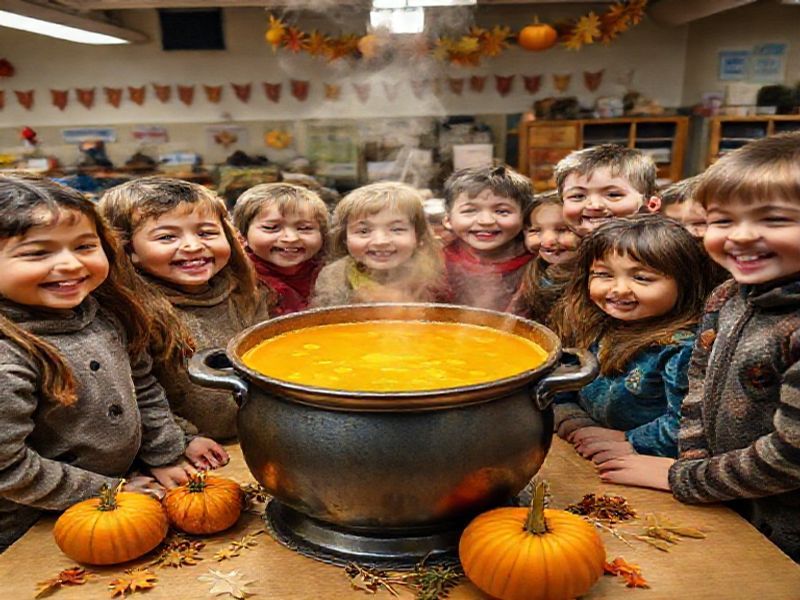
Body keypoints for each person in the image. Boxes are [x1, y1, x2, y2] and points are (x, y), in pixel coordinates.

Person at [598, 133, 800, 562]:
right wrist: (691, 463)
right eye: (722, 221)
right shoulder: (726, 297)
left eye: (776, 220)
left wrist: (684, 478)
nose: (741, 236)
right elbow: (697, 390)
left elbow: (791, 456)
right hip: (727, 502)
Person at [0, 175, 206, 551]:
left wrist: (164, 451)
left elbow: (142, 386)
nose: (69, 264)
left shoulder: (105, 313)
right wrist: (108, 491)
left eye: (84, 246)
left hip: (122, 491)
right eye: (37, 253)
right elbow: (7, 469)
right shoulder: (8, 357)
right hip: (28, 527)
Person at [100, 177, 269, 442]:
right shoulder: (130, 314)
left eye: (206, 233)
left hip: (259, 434)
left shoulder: (247, 294)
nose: (192, 246)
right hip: (189, 448)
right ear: (127, 249)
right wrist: (182, 439)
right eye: (167, 237)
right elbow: (136, 395)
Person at [554, 215, 714, 461]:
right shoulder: (594, 324)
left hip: (645, 464)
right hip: (583, 452)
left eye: (641, 278)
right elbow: (562, 383)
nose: (618, 289)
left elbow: (687, 424)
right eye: (604, 274)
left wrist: (630, 440)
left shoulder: (682, 350)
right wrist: (573, 421)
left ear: (685, 283)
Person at [311, 181, 448, 306]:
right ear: (344, 239)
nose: (381, 241)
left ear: (418, 236)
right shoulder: (334, 277)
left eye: (397, 229)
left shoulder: (436, 272)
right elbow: (324, 320)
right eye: (364, 231)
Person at [441, 165, 533, 311]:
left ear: (526, 218)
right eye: (470, 210)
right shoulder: (438, 257)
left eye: (502, 211)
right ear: (448, 220)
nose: (486, 220)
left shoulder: (536, 261)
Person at [232, 183, 329, 315]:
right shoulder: (236, 279)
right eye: (271, 228)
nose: (291, 238)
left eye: (304, 228)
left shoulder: (332, 272)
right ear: (242, 236)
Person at [554, 144, 660, 239]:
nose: (595, 205)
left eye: (613, 195)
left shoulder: (662, 254)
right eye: (578, 196)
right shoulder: (556, 253)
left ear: (650, 203)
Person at [509, 190, 579, 324]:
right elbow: (514, 320)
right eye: (535, 231)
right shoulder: (534, 273)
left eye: (563, 230)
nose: (548, 241)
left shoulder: (592, 277)